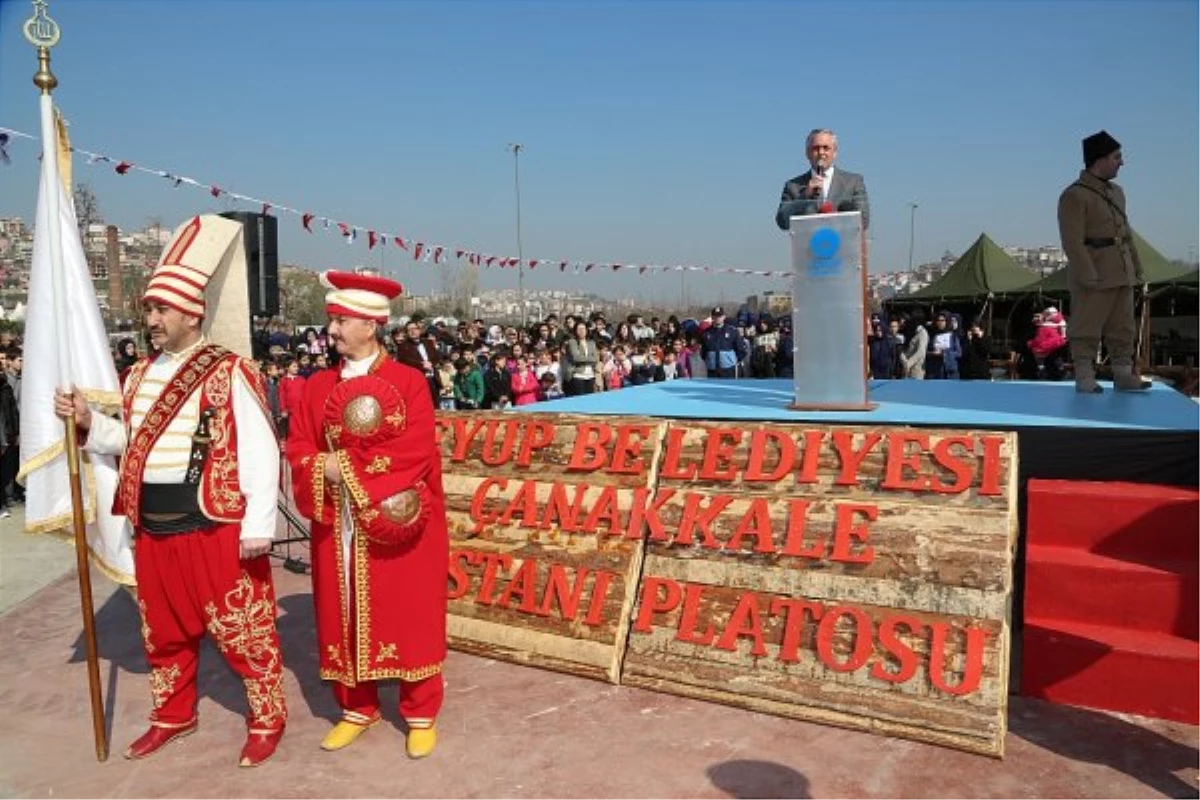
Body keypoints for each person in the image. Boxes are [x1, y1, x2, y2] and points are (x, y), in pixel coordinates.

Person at [54, 214, 287, 767]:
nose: (152, 320)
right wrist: (90, 423)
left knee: (242, 630)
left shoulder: (231, 371)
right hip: (154, 525)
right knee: (163, 632)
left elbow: (259, 447)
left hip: (216, 525)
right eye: (149, 311)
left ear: (191, 313)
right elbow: (130, 441)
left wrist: (258, 525)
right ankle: (173, 714)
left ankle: (267, 717)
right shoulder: (136, 377)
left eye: (161, 310)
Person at [285, 271, 448, 759]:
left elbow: (415, 449)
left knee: (410, 610)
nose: (330, 330)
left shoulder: (410, 382)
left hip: (398, 520)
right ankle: (357, 707)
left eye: (339, 321)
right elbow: (297, 446)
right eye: (330, 320)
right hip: (338, 523)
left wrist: (347, 468)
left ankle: (420, 711)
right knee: (342, 613)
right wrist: (319, 466)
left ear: (371, 325)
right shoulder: (315, 387)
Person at [1057, 130, 1149, 393]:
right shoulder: (1074, 195)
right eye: (1117, 157)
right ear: (1100, 159)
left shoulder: (1117, 192)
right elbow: (1072, 241)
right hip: (1094, 270)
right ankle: (1085, 375)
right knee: (1086, 325)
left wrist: (1137, 266)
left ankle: (1123, 374)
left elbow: (1127, 234)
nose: (1122, 162)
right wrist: (1087, 273)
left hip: (1121, 270)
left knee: (1123, 325)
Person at [775, 128, 870, 231]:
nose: (821, 152)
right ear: (807, 153)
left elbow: (863, 221)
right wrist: (805, 196)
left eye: (826, 148)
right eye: (816, 148)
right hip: (807, 245)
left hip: (843, 245)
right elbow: (782, 222)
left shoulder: (854, 182)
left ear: (835, 152)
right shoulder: (792, 186)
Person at [701, 307, 746, 379]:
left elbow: (741, 350)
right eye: (715, 316)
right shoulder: (707, 333)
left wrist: (733, 361)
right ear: (712, 317)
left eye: (719, 316)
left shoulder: (732, 331)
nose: (717, 318)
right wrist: (709, 361)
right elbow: (703, 352)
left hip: (728, 370)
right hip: (712, 370)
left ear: (724, 317)